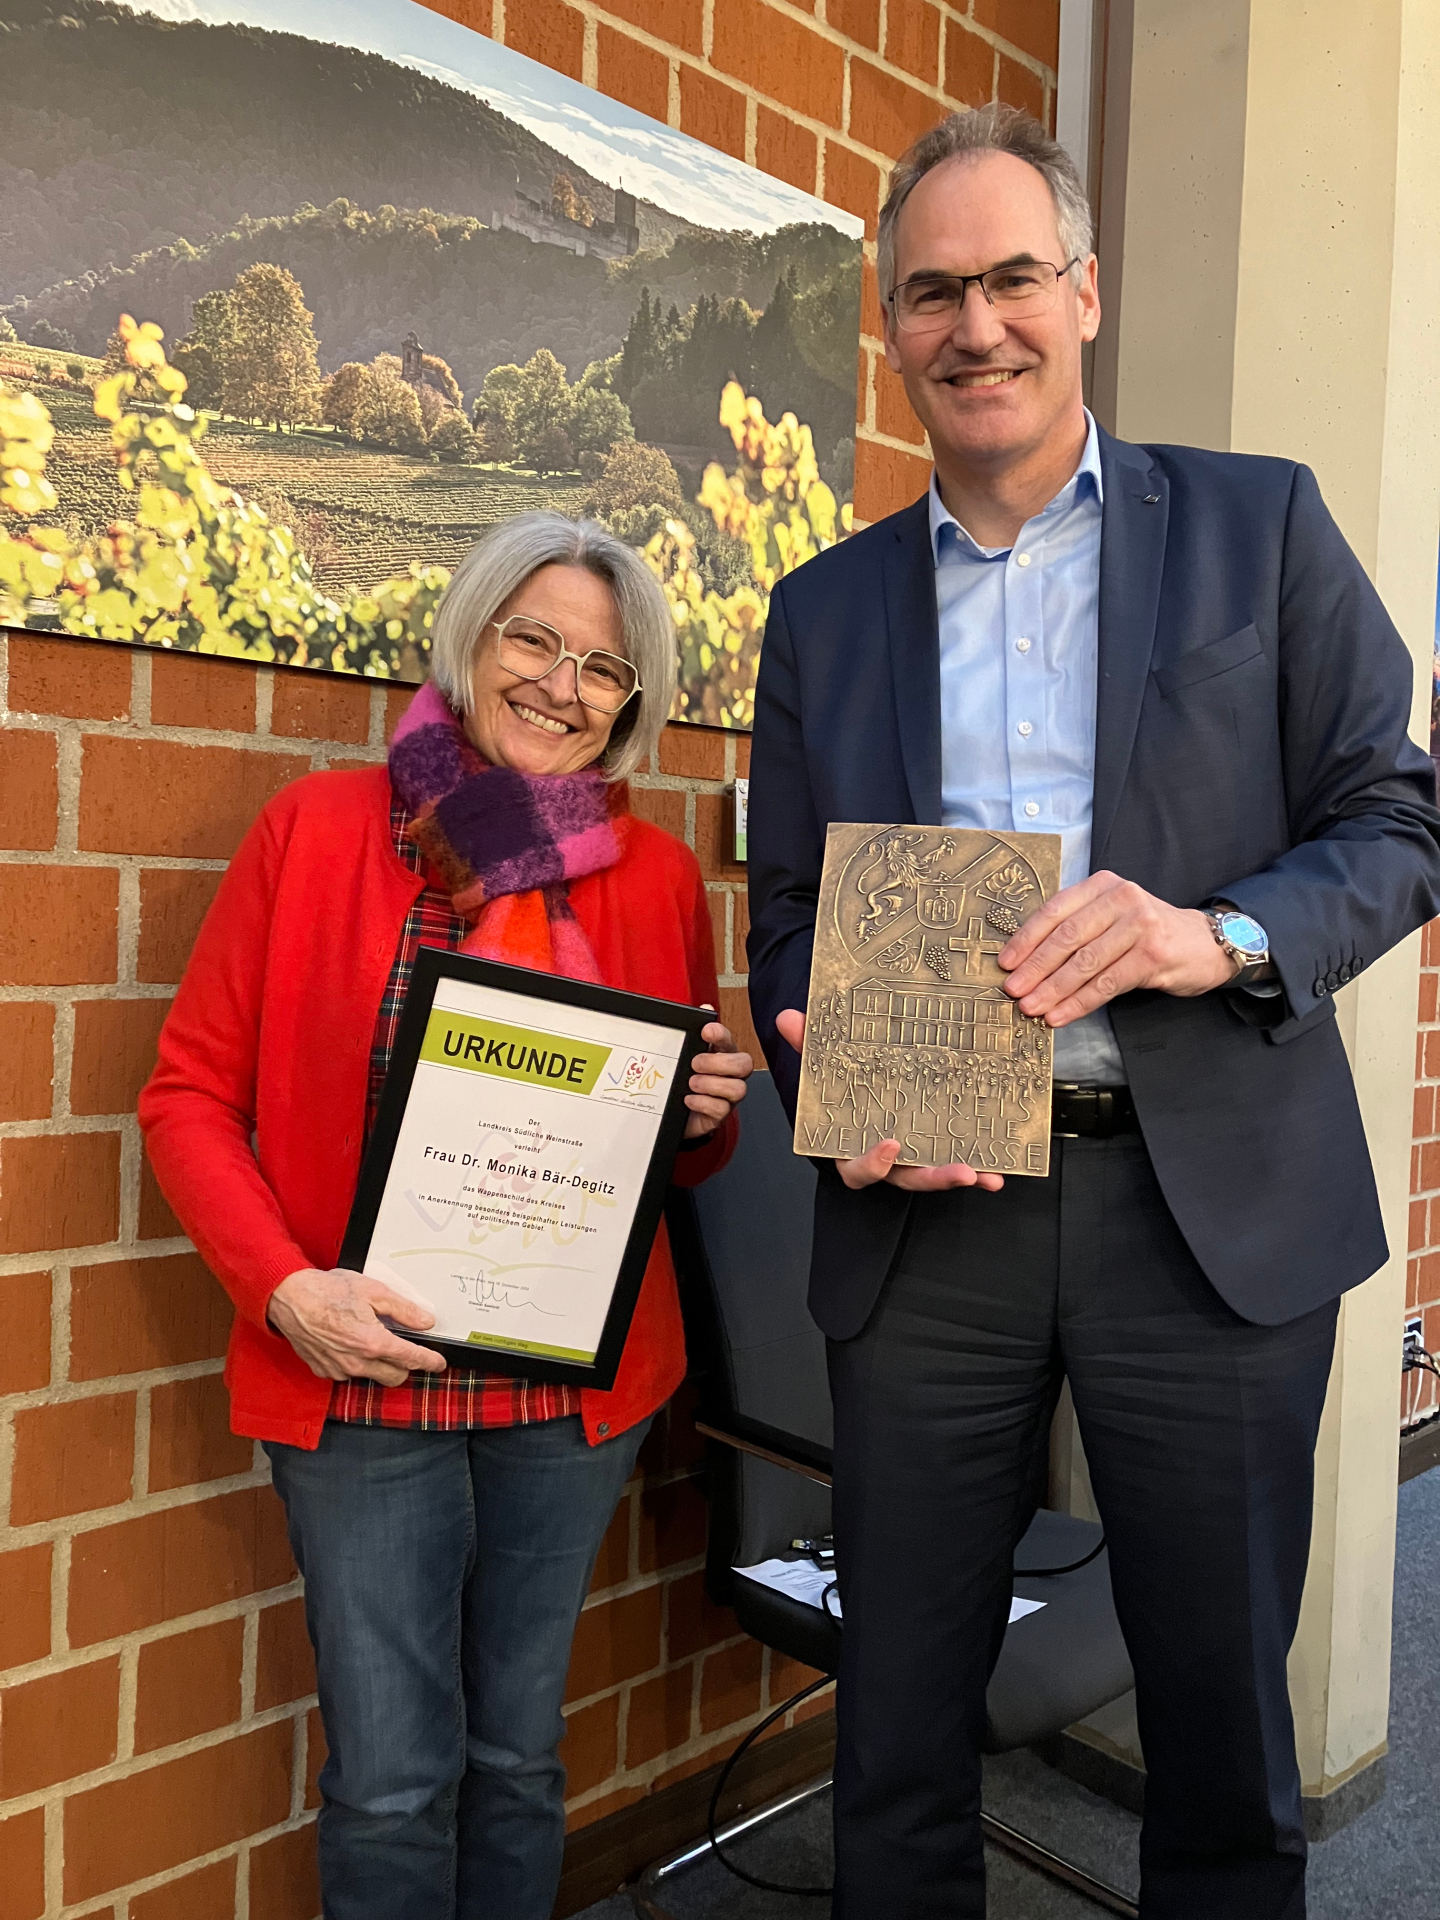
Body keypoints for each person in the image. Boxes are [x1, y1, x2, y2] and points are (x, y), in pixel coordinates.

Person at [746, 103, 1440, 1920]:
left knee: (1219, 1735)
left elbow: (1397, 821)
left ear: (1087, 293)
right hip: (928, 1221)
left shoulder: (1258, 526)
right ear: (892, 328)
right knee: (898, 1725)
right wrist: (834, 1069)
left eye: (1012, 279)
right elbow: (790, 919)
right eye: (932, 293)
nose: (976, 325)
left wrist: (1217, 933)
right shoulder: (821, 613)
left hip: (1203, 1217)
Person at [139, 512, 751, 1920]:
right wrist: (286, 1289)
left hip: (566, 1396)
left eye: (603, 668)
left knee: (517, 1758)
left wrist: (697, 1118)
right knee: (390, 1778)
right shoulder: (315, 832)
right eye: (533, 639)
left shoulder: (656, 876)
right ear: (471, 641)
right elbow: (187, 1099)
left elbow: (670, 1163)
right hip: (360, 1371)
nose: (561, 685)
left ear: (631, 703)